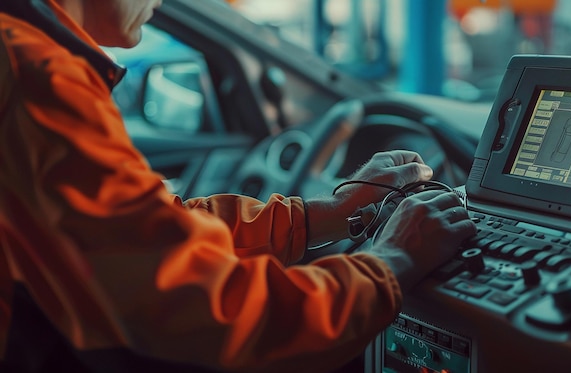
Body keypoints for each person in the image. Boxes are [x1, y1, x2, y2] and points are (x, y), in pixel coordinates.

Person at [0, 1, 476, 372]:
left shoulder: (23, 58)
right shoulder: (40, 81)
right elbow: (211, 312)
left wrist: (325, 213)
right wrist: (392, 262)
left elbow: (151, 232)